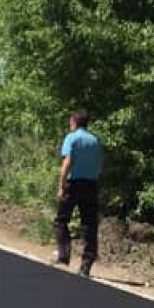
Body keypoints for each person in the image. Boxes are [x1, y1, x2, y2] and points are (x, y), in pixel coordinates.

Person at [53, 109, 105, 277]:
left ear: (74, 122)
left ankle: (63, 255)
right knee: (89, 225)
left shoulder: (72, 138)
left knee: (61, 220)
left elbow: (67, 162)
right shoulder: (95, 141)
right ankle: (86, 266)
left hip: (74, 183)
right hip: (91, 185)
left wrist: (62, 184)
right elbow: (99, 165)